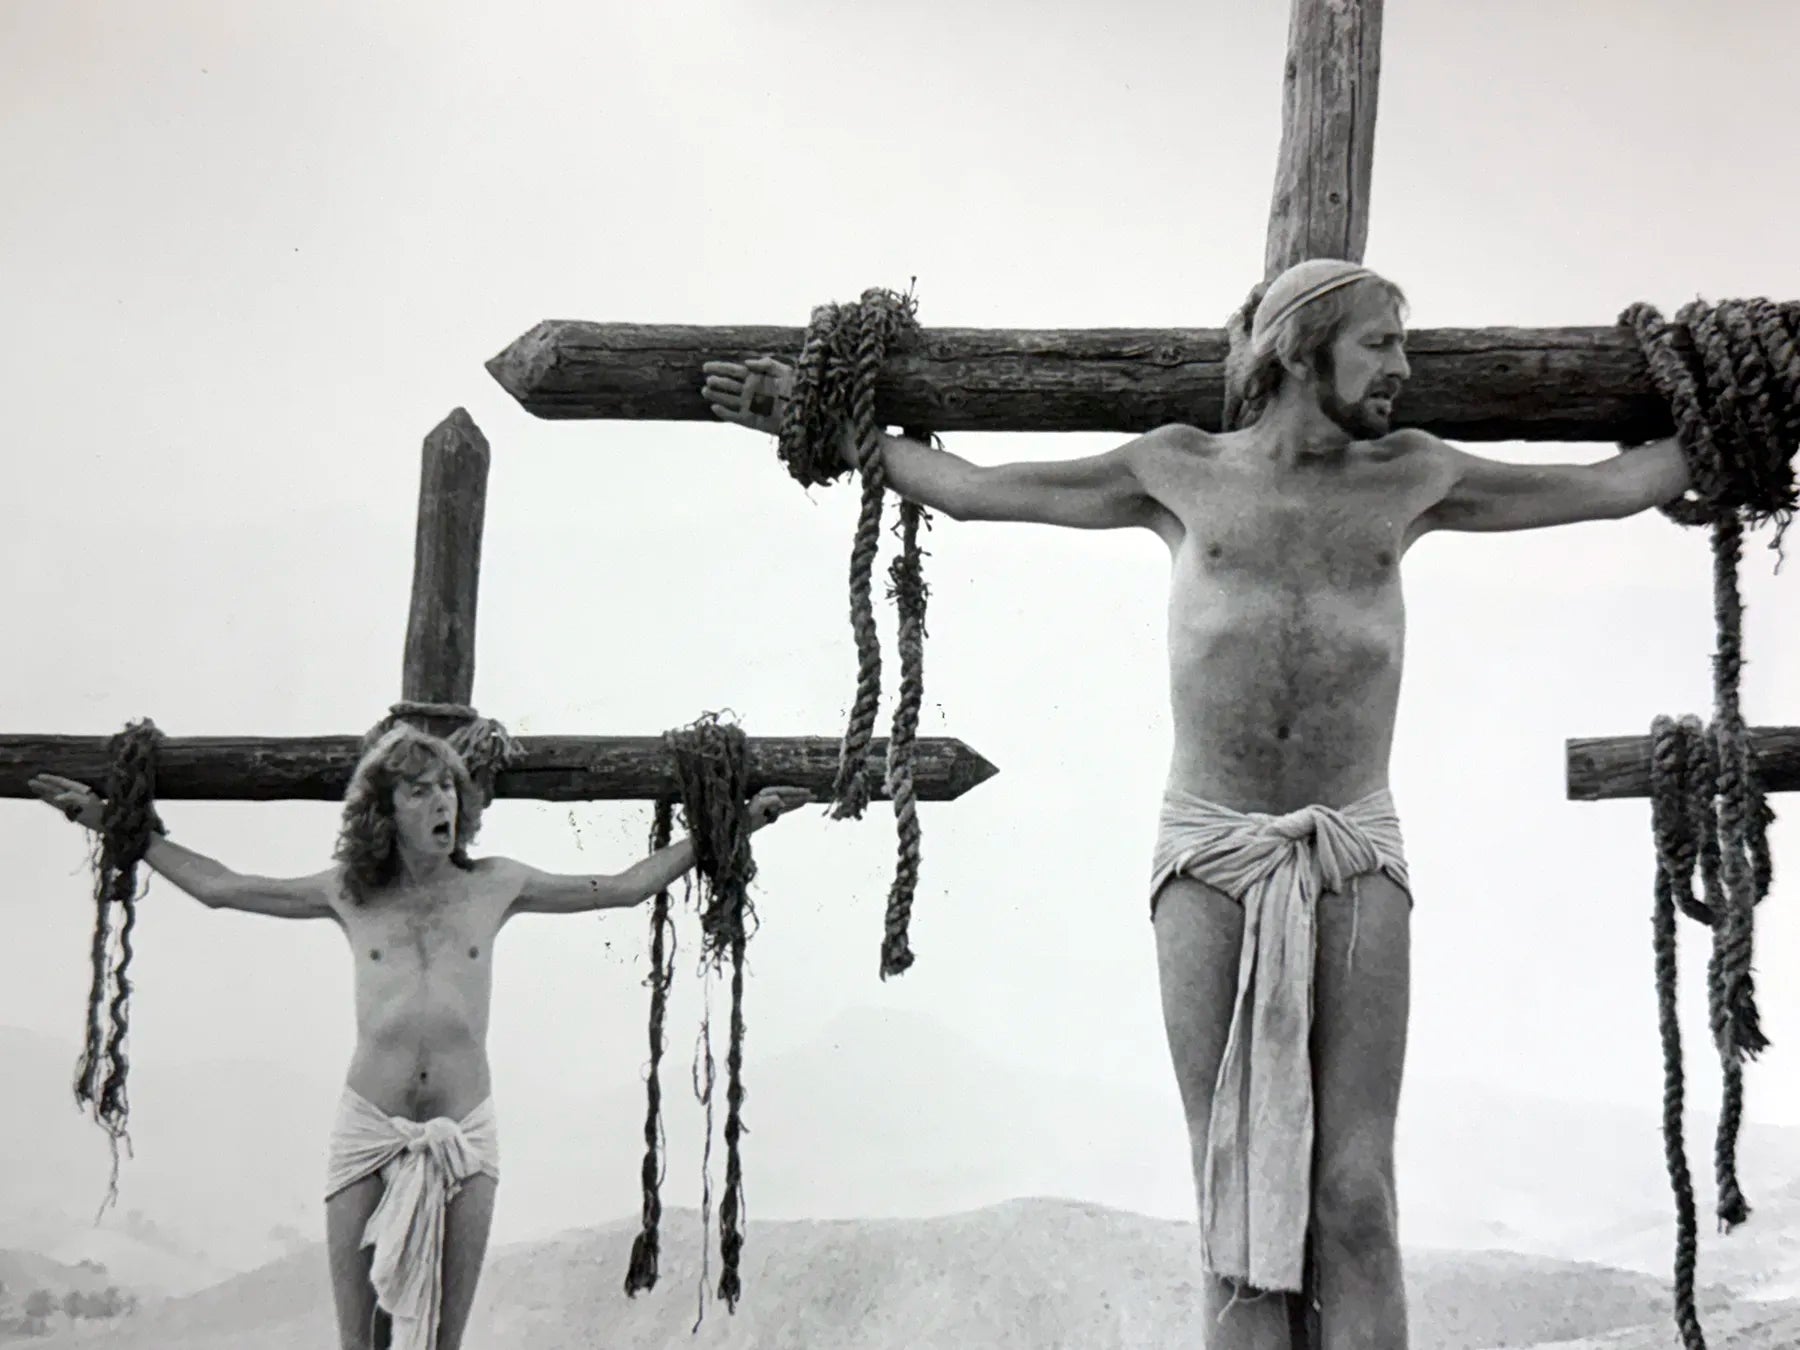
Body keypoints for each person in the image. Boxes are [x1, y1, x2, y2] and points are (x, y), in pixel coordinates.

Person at [700, 257, 1692, 1350]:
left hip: (1353, 848)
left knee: (1357, 1198)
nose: (1404, 370)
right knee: (1232, 1195)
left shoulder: (1414, 476)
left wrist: (1743, 411)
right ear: (1298, 352)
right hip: (1207, 851)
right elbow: (979, 490)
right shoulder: (1176, 470)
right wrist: (825, 426)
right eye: (1381, 344)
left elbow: (1608, 488)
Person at [29, 722, 812, 1350]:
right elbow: (220, 887)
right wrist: (109, 821)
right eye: (420, 789)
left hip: (465, 1131)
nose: (442, 801)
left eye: (448, 788)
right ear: (386, 812)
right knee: (360, 1341)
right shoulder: (349, 893)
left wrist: (740, 823)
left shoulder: (497, 884)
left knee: (441, 1341)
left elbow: (625, 887)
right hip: (368, 1128)